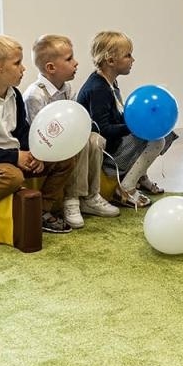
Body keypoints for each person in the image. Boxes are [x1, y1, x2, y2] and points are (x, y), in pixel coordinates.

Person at [0, 33, 77, 251]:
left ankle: (41, 210)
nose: (24, 68)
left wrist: (35, 153)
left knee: (65, 159)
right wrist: (14, 158)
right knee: (13, 176)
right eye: (17, 63)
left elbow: (22, 131)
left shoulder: (15, 95)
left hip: (15, 155)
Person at [24, 33, 120, 229]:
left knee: (95, 140)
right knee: (81, 143)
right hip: (46, 147)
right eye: (69, 59)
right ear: (51, 68)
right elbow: (39, 134)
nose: (76, 63)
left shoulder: (66, 88)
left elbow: (75, 118)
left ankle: (92, 197)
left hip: (63, 140)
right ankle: (72, 199)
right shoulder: (35, 95)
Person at [75, 30, 177, 209]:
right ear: (111, 61)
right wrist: (134, 126)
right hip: (108, 154)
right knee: (157, 140)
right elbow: (103, 130)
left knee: (166, 133)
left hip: (116, 143)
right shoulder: (98, 89)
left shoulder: (110, 82)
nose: (133, 60)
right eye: (128, 55)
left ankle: (139, 177)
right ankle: (126, 188)